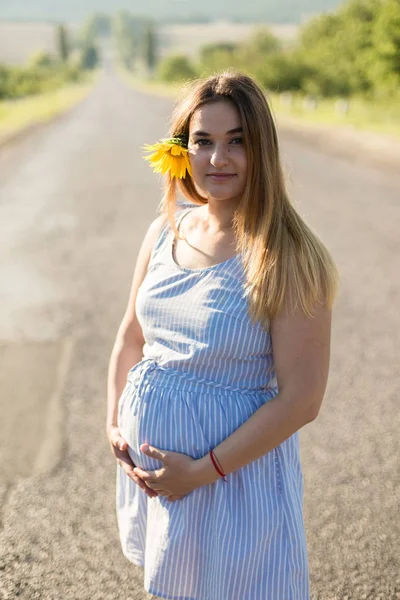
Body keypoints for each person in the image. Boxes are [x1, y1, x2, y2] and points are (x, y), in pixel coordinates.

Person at [106, 70, 338, 600]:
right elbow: (130, 334)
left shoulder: (288, 256)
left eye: (238, 142)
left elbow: (302, 400)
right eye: (203, 141)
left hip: (233, 481)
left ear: (264, 151)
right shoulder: (166, 227)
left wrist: (201, 471)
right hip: (166, 481)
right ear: (181, 150)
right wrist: (113, 419)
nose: (218, 159)